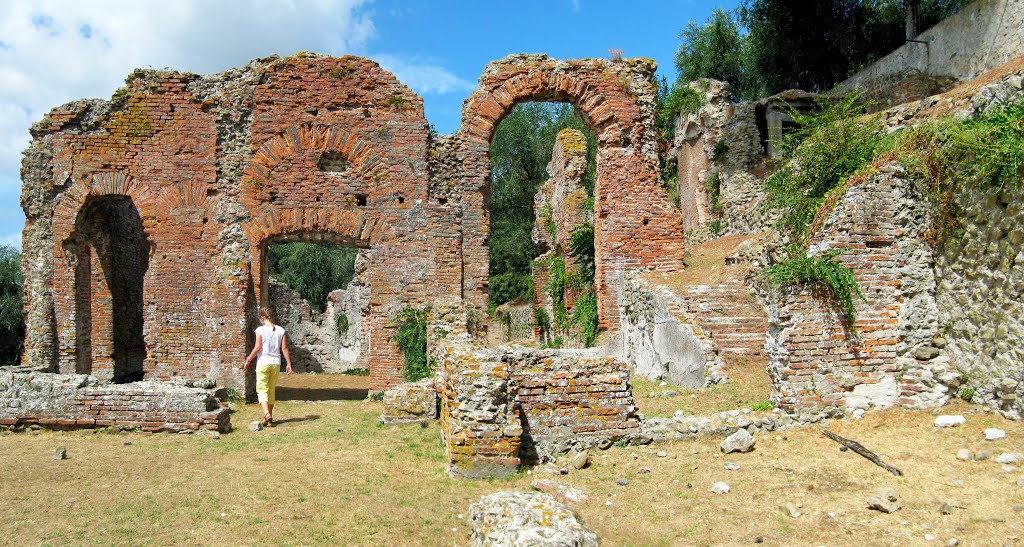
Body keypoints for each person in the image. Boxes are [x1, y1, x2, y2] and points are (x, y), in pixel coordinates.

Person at [241, 306, 292, 426]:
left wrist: (248, 359)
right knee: (271, 389)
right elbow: (284, 348)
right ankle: (268, 417)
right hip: (276, 363)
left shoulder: (260, 330)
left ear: (263, 318)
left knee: (262, 389)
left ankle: (266, 413)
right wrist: (288, 364)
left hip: (263, 362)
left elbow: (257, 348)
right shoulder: (281, 330)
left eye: (260, 318)